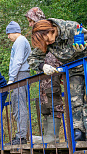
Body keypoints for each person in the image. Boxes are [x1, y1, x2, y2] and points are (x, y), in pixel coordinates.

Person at [28, 19, 87, 141]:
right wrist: (42, 66)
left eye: (47, 39)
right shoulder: (46, 42)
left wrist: (83, 47)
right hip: (73, 68)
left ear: (51, 30)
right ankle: (78, 132)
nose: (48, 43)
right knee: (75, 100)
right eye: (45, 42)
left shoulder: (71, 27)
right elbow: (32, 58)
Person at [25, 7, 63, 144]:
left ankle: (53, 136)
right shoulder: (39, 37)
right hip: (45, 75)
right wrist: (41, 66)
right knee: (45, 104)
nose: (30, 25)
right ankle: (47, 136)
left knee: (54, 102)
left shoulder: (52, 32)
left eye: (31, 21)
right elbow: (33, 57)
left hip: (55, 75)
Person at [5, 21, 31, 145]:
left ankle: (21, 136)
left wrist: (11, 77)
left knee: (20, 105)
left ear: (13, 31)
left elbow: (18, 60)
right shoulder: (19, 42)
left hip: (20, 74)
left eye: (8, 33)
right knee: (16, 104)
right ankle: (20, 135)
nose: (8, 36)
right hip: (19, 75)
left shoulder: (20, 41)